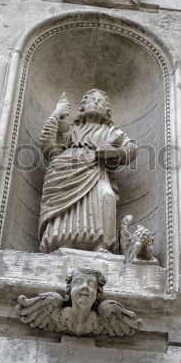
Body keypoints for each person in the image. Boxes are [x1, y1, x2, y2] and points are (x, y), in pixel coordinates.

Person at [39, 88, 136, 253]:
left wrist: (115, 152)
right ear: (83, 107)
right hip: (66, 171)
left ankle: (102, 245)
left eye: (100, 102)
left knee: (107, 195)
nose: (96, 103)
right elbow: (47, 144)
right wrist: (56, 114)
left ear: (107, 111)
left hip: (97, 171)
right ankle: (62, 241)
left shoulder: (111, 132)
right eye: (92, 100)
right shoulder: (71, 130)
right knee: (68, 208)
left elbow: (131, 148)